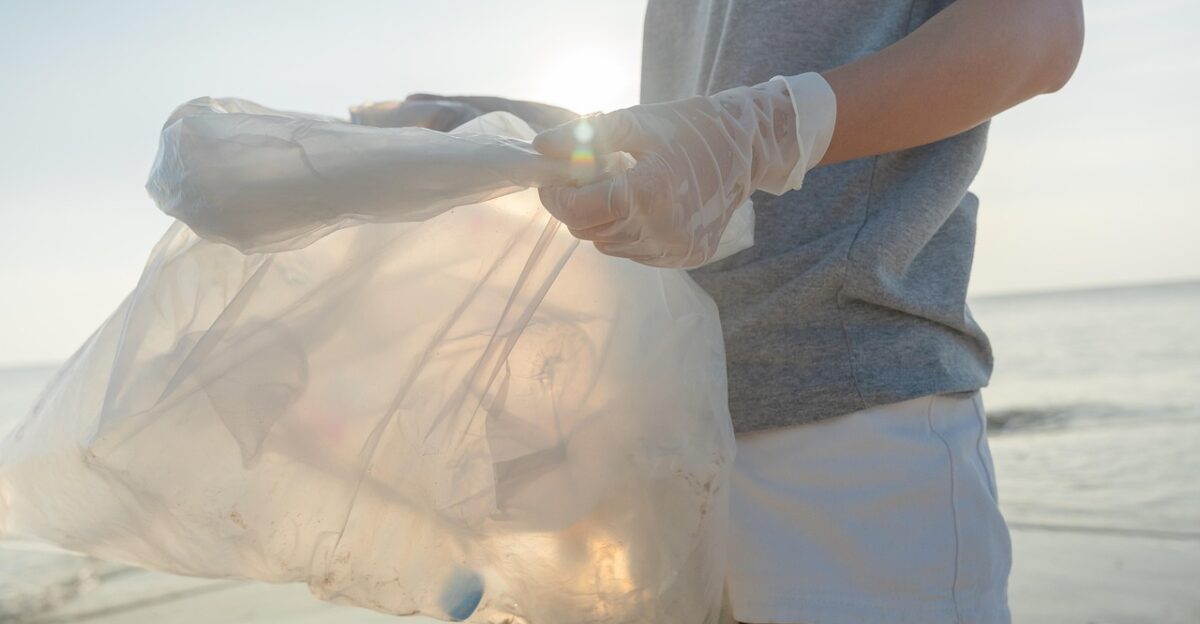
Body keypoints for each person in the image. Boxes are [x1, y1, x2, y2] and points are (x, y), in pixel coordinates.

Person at [360, 1, 1084, 621]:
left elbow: (1039, 30)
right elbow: (703, 132)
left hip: (851, 429)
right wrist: (508, 130)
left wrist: (762, 130)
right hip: (676, 434)